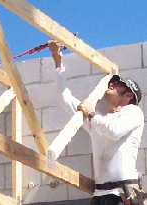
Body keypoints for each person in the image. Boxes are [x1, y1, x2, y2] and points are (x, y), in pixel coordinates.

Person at [48, 41, 145, 205]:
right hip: (100, 195)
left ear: (128, 96)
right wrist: (58, 61)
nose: (111, 84)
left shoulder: (134, 112)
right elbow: (64, 98)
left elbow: (114, 131)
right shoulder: (98, 120)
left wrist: (91, 114)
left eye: (118, 84)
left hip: (123, 194)